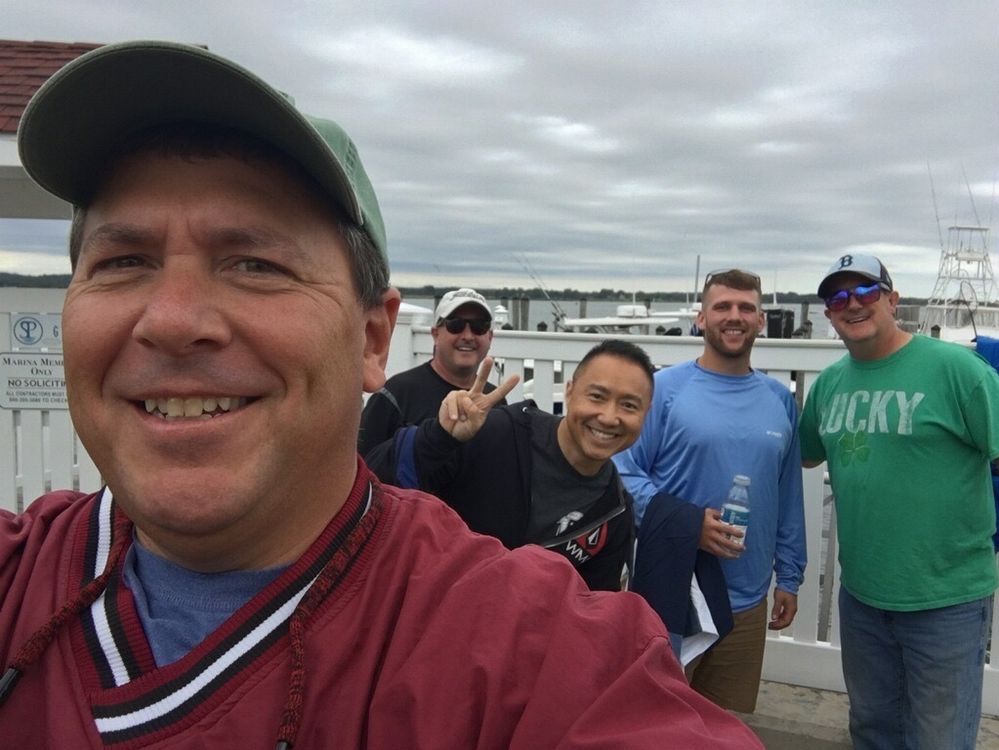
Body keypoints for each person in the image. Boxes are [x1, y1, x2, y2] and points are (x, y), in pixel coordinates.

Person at [0, 41, 762, 749]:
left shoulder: (513, 654)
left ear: (370, 337)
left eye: (256, 264)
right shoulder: (18, 582)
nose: (170, 320)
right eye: (124, 259)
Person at [800, 253, 999, 749]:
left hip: (947, 600)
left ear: (893, 300)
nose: (852, 305)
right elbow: (803, 457)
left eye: (866, 292)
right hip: (862, 597)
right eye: (838, 297)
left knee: (940, 739)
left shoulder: (959, 371)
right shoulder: (828, 385)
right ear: (828, 314)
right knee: (871, 731)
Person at [614, 268, 807, 713]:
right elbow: (623, 474)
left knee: (727, 729)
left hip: (747, 600)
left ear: (761, 321)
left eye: (746, 308)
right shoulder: (664, 390)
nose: (733, 316)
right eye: (722, 307)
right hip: (672, 593)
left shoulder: (779, 399)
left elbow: (787, 495)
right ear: (701, 319)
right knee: (654, 726)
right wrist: (687, 525)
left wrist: (791, 575)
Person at [368, 340, 647, 591]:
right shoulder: (496, 433)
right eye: (597, 396)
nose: (609, 417)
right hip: (432, 616)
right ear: (570, 392)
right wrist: (440, 436)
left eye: (629, 406)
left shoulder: (614, 510)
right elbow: (379, 485)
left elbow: (593, 609)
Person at [358, 287, 503, 455]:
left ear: (490, 337)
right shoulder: (397, 393)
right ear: (435, 334)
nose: (468, 336)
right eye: (455, 325)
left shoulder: (494, 400)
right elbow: (364, 462)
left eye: (479, 326)